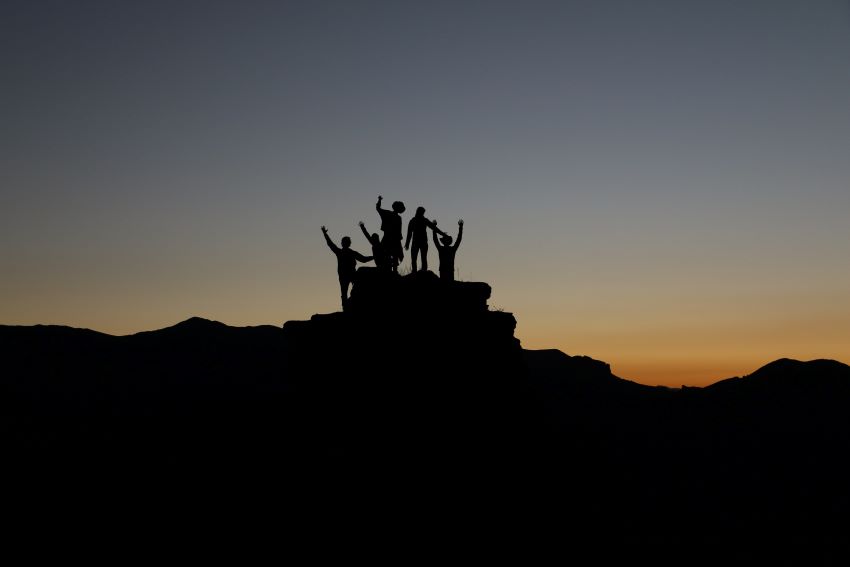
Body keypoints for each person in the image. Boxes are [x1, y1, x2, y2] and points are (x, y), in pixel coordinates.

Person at [321, 225, 373, 308]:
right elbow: (363, 259)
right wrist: (374, 257)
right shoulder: (346, 252)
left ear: (343, 243)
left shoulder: (342, 252)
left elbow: (330, 244)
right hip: (347, 275)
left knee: (345, 292)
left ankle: (348, 306)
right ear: (349, 243)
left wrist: (325, 234)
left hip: (347, 275)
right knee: (345, 292)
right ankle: (347, 307)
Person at [404, 206, 447, 273]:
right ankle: (415, 272)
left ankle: (423, 271)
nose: (422, 213)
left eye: (423, 212)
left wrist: (442, 234)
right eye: (422, 212)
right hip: (417, 242)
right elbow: (409, 233)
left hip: (422, 242)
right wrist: (407, 243)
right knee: (415, 258)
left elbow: (434, 228)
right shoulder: (414, 220)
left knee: (422, 258)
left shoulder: (422, 220)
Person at [375, 195, 405, 273]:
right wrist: (379, 200)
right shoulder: (390, 214)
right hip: (391, 238)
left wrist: (379, 200)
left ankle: (392, 271)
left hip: (392, 239)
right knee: (389, 255)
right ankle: (390, 271)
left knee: (392, 256)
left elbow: (378, 208)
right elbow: (378, 208)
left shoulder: (396, 217)